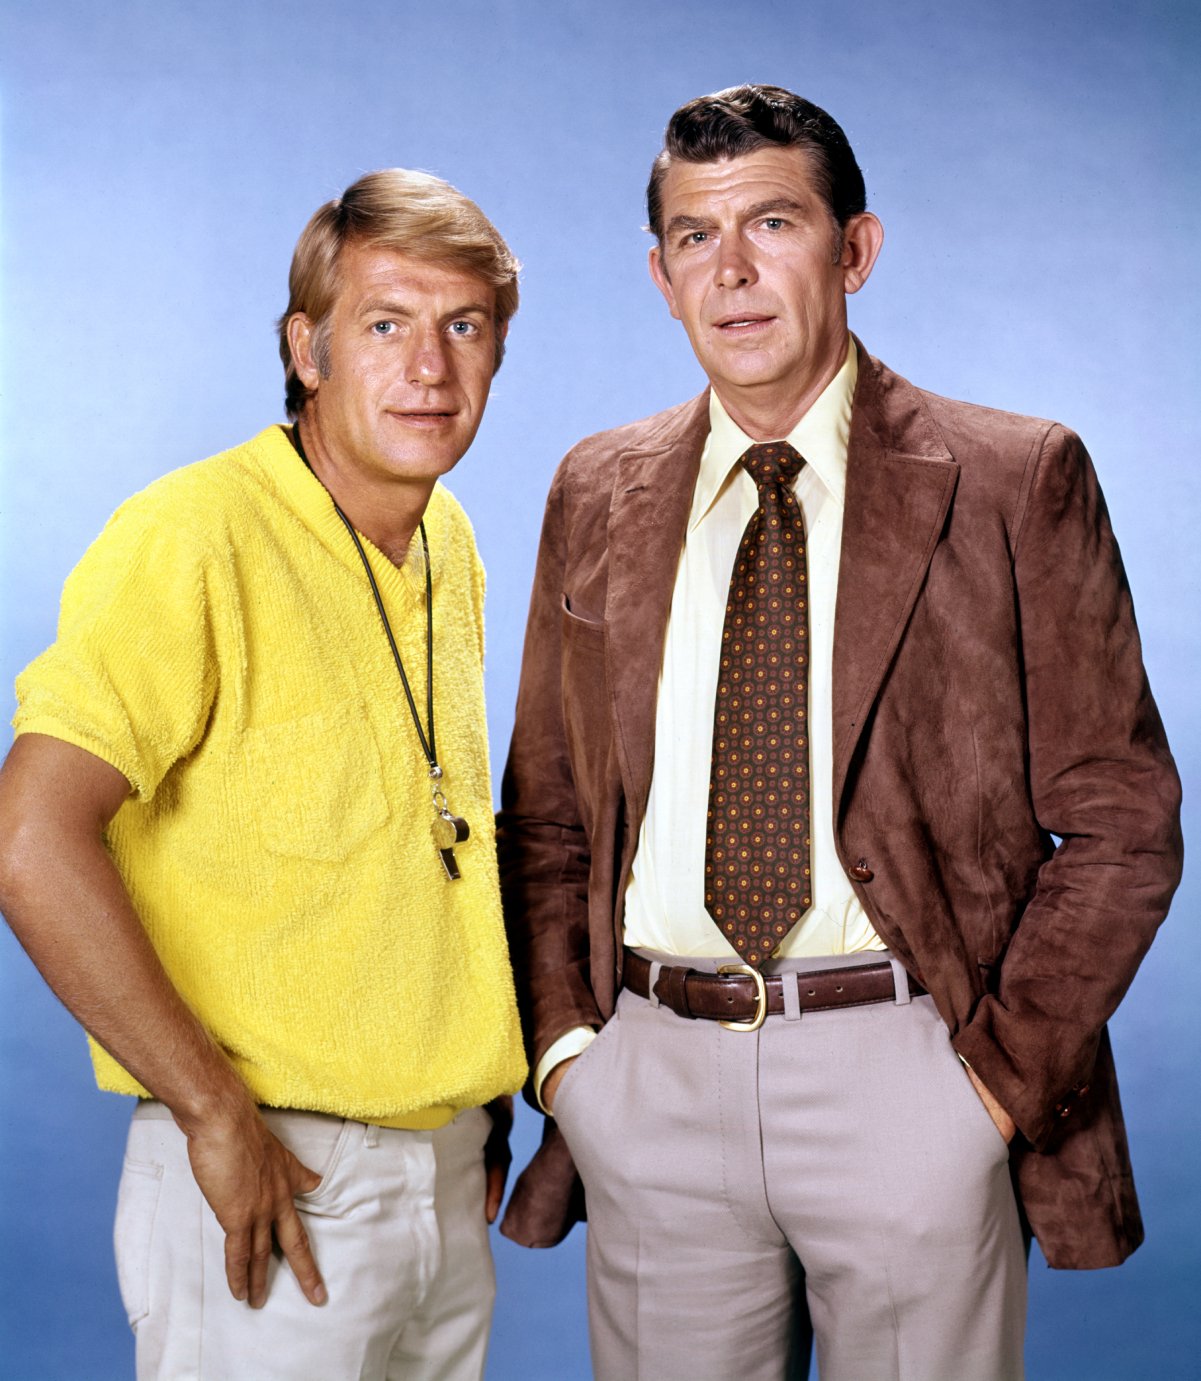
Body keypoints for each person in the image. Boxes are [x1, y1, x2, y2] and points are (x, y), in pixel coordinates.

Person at [496, 85, 1183, 1380]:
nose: (733, 270)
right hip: (650, 1079)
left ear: (853, 249)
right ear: (658, 275)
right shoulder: (594, 488)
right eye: (696, 237)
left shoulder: (1011, 479)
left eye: (772, 222)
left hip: (910, 1078)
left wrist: (985, 1091)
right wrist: (569, 1061)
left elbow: (1123, 822)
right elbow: (545, 812)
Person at [0, 168, 527, 1380]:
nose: (430, 369)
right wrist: (209, 1108)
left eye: (465, 327)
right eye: (386, 324)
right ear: (309, 347)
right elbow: (31, 839)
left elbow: (427, 841)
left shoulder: (446, 540)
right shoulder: (194, 536)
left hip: (445, 1175)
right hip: (271, 1166)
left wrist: (474, 1096)